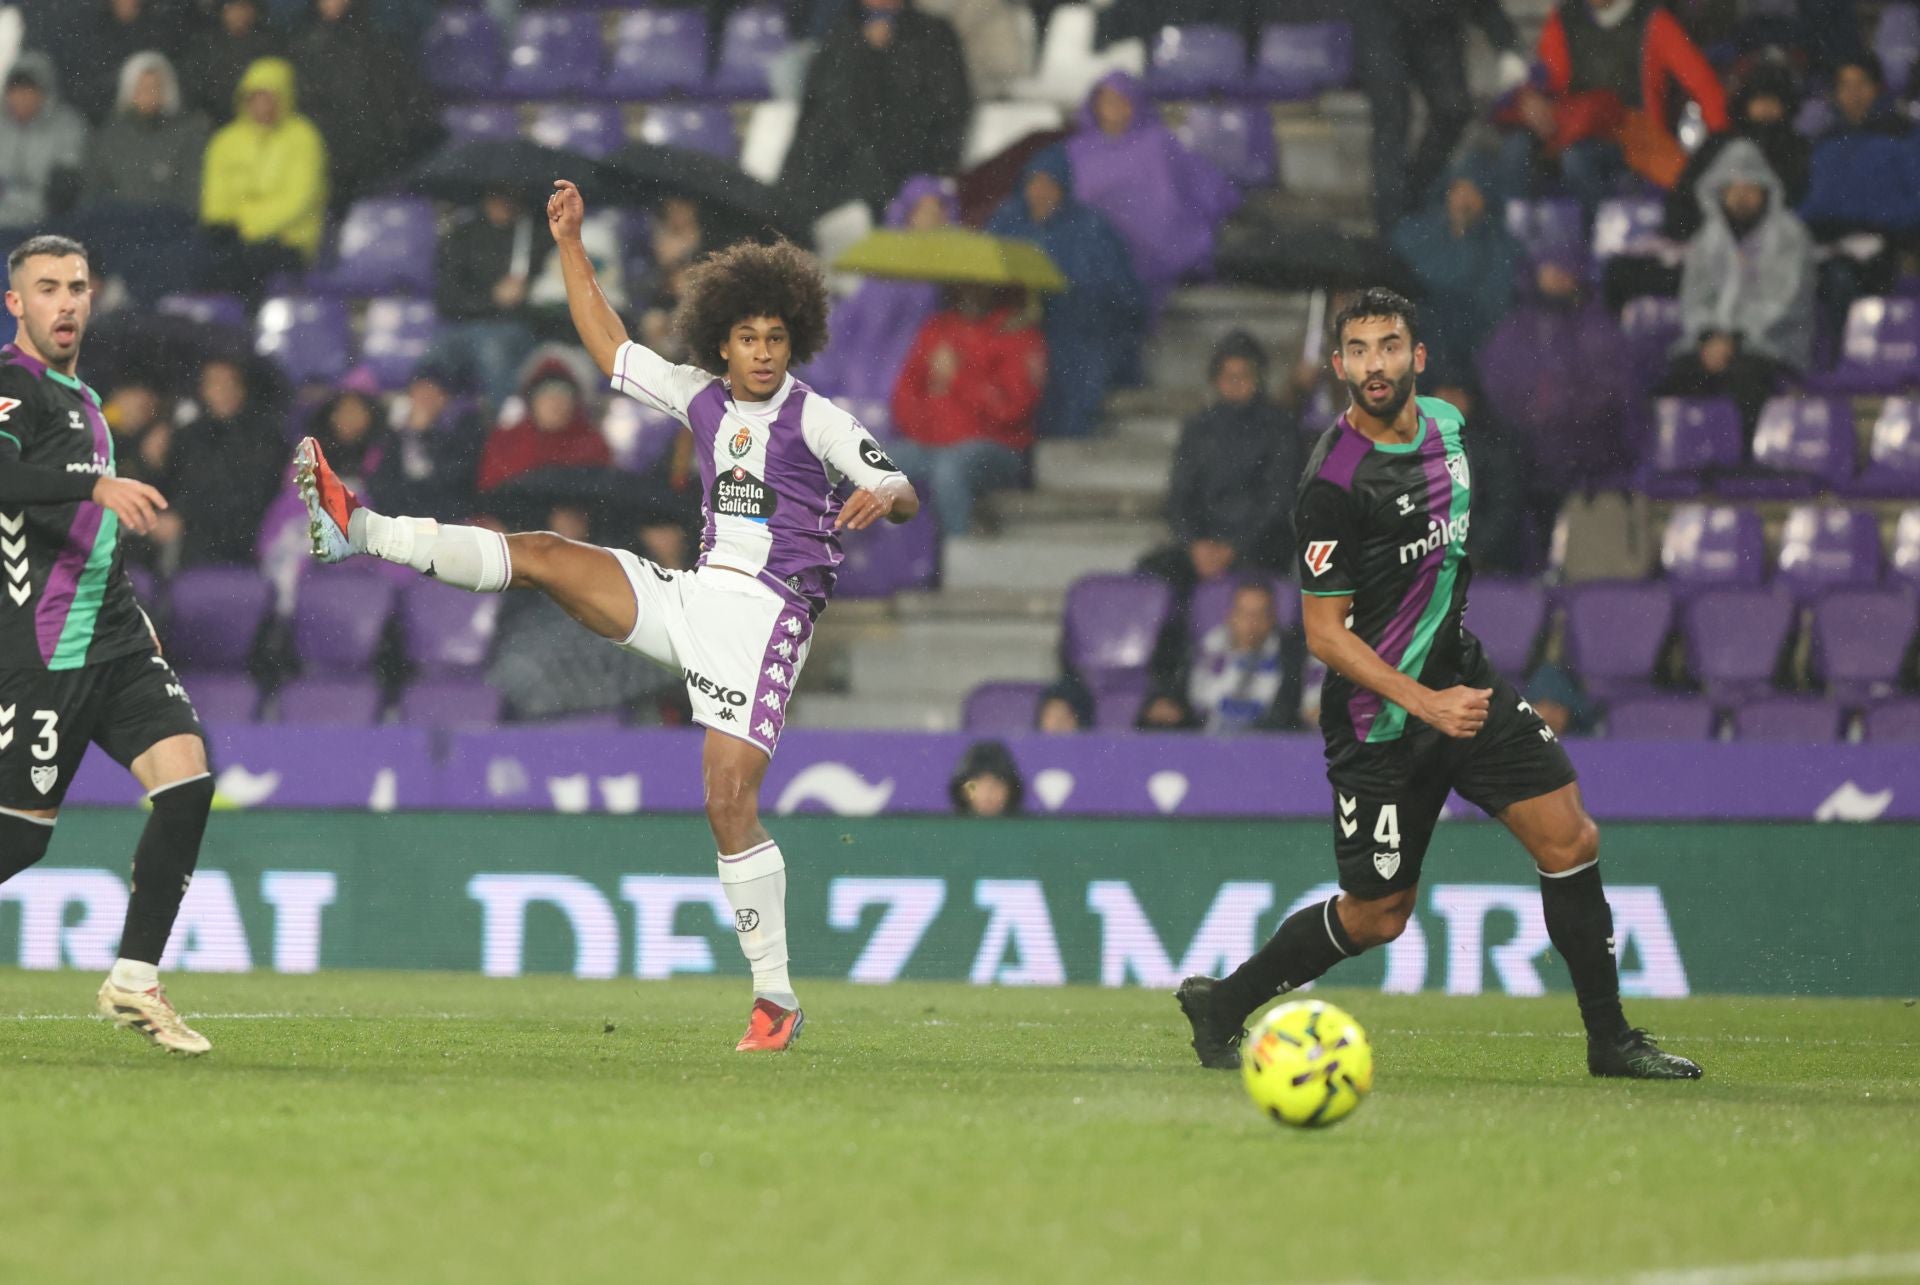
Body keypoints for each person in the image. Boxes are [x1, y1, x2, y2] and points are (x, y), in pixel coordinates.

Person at [295, 179, 922, 1052]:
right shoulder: (703, 398)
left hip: (766, 623)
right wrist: (570, 244)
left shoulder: (816, 418)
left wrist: (883, 495)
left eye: (777, 338)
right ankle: (357, 526)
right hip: (695, 595)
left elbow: (897, 484)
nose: (764, 352)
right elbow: (613, 349)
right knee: (549, 556)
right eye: (748, 337)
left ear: (796, 341)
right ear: (724, 342)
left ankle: (774, 999)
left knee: (725, 803)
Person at [1175, 288, 1701, 1082]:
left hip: (1463, 683)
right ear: (1339, 364)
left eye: (1389, 346)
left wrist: (1445, 671)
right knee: (1378, 914)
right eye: (1357, 349)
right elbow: (1323, 633)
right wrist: (1422, 700)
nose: (1373, 363)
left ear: (1416, 358)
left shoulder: (1451, 430)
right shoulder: (1332, 481)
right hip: (1379, 720)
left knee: (1570, 838)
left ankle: (1611, 1041)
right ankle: (1224, 1003)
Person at [0, 235, 215, 1055]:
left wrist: (129, 606)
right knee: (21, 835)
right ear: (15, 303)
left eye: (77, 287)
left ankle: (134, 979)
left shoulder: (86, 398)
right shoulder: (11, 387)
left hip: (115, 637)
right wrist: (94, 483)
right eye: (47, 287)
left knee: (188, 783)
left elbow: (87, 534)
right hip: (43, 652)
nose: (65, 301)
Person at [985, 147, 1144, 440]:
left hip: (1073, 331)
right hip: (1012, 330)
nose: (1040, 192)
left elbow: (1117, 293)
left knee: (1075, 369)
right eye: (1034, 183)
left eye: (1049, 184)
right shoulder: (1006, 222)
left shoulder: (1091, 229)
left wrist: (1061, 301)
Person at [1503, 0, 1728, 205]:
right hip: (1575, 127)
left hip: (1631, 135)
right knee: (1517, 148)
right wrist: (1532, 97)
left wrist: (1723, 140)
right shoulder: (1566, 18)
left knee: (1577, 158)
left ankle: (1596, 240)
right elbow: (1546, 75)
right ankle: (1522, 239)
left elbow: (1702, 82)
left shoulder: (1652, 20)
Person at [1660, 140, 1813, 434]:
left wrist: (1734, 338)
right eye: (1732, 189)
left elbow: (1783, 299)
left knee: (1745, 378)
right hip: (1714, 344)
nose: (1741, 197)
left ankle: (1744, 465)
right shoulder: (1708, 239)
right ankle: (1689, 468)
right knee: (1677, 377)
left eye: (1749, 188)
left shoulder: (1790, 236)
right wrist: (1708, 336)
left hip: (1774, 345)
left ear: (1765, 190)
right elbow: (1694, 297)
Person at [1140, 331, 1302, 595]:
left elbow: (1278, 502)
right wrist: (1195, 545)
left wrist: (1234, 547)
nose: (1236, 384)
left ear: (1258, 379)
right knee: (1152, 571)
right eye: (1229, 377)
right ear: (1215, 380)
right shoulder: (1198, 429)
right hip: (1203, 545)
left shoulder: (1280, 428)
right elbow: (1179, 497)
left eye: (1244, 376)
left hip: (1259, 545)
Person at [778, 0, 972, 221]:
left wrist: (927, 181)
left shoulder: (934, 34)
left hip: (906, 177)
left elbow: (950, 113)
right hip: (835, 178)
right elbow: (817, 116)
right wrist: (864, 54)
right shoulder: (840, 34)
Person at [1064, 71, 1238, 316]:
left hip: (1152, 260)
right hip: (1089, 266)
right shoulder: (1076, 152)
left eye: (1122, 101)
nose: (1114, 109)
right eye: (1107, 101)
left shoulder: (1159, 143)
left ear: (1135, 104)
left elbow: (1202, 184)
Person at [1355, 0, 1529, 228]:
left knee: (1454, 109)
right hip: (1381, 13)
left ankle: (1411, 200)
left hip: (1437, 16)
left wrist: (1505, 43)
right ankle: (1391, 229)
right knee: (1393, 117)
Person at [887, 285, 1044, 536]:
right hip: (931, 447)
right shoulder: (937, 328)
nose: (970, 291)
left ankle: (959, 558)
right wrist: (926, 429)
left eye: (978, 284)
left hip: (997, 451)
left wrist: (959, 379)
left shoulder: (1018, 334)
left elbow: (1013, 410)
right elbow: (904, 395)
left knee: (950, 470)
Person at [804, 175, 955, 405]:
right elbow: (857, 326)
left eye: (936, 212)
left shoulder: (946, 272)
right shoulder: (882, 263)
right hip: (856, 379)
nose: (929, 219)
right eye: (922, 210)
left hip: (902, 377)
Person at [198, 56, 327, 306]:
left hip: (289, 241)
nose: (263, 105)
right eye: (256, 97)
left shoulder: (304, 138)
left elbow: (299, 200)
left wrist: (248, 224)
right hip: (233, 239)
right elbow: (215, 200)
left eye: (270, 97)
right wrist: (231, 227)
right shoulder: (225, 141)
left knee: (249, 266)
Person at [1388, 152, 1523, 387]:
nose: (1463, 200)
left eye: (1472, 192)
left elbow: (1493, 305)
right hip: (1418, 340)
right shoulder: (1421, 231)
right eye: (1458, 190)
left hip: (1471, 350)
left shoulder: (1500, 246)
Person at [161, 356, 286, 568]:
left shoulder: (266, 437)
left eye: (231, 382)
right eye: (215, 383)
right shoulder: (185, 436)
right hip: (189, 547)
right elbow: (169, 486)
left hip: (244, 546)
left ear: (243, 388)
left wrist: (185, 516)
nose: (224, 390)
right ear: (202, 390)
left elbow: (254, 495)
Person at [428, 191, 546, 408]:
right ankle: (424, 432)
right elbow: (447, 298)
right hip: (466, 326)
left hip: (516, 328)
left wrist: (528, 291)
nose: (503, 202)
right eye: (496, 194)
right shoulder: (464, 236)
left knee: (493, 352)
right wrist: (493, 298)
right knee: (433, 358)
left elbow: (552, 296)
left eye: (510, 194)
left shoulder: (538, 235)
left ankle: (502, 428)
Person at [476, 353, 614, 495]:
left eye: (563, 396)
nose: (555, 404)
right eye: (546, 396)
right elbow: (490, 494)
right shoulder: (506, 441)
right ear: (531, 402)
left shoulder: (592, 443)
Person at [0, 53, 89, 237]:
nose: (21, 97)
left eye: (29, 91)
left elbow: (64, 188)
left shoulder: (68, 126)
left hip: (47, 225)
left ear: (44, 93)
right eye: (16, 90)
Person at [1188, 579, 1286, 735]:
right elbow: (1196, 703)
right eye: (1244, 613)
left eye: (1259, 614)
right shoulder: (1210, 648)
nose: (1251, 622)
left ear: (1272, 617)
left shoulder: (1290, 656)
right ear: (1230, 615)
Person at [182, 0, 285, 122]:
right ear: (222, 11)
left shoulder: (269, 44)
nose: (237, 13)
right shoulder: (205, 46)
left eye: (242, 7)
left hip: (260, 119)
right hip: (215, 120)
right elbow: (196, 87)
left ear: (252, 10)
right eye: (231, 8)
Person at [949, 738, 1023, 816]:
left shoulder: (1026, 826)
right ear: (962, 791)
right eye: (976, 785)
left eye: (996, 785)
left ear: (1010, 790)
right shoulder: (948, 826)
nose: (987, 794)